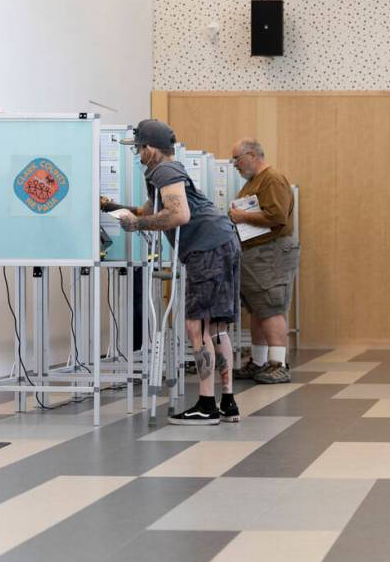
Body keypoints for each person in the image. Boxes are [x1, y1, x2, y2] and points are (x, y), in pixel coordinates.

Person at [115, 119, 241, 425]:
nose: (138, 154)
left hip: (206, 248)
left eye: (140, 148)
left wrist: (138, 225)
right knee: (217, 326)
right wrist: (117, 208)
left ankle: (206, 404)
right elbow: (152, 209)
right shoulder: (169, 171)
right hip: (222, 242)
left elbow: (178, 214)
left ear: (152, 148)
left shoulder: (163, 171)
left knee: (195, 325)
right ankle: (227, 401)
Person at [228, 138, 299, 385]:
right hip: (256, 253)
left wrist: (241, 216)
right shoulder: (253, 181)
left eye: (236, 158)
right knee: (258, 309)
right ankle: (258, 363)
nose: (234, 164)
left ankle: (278, 364)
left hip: (271, 253)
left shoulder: (272, 178)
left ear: (251, 155)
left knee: (270, 307)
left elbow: (276, 216)